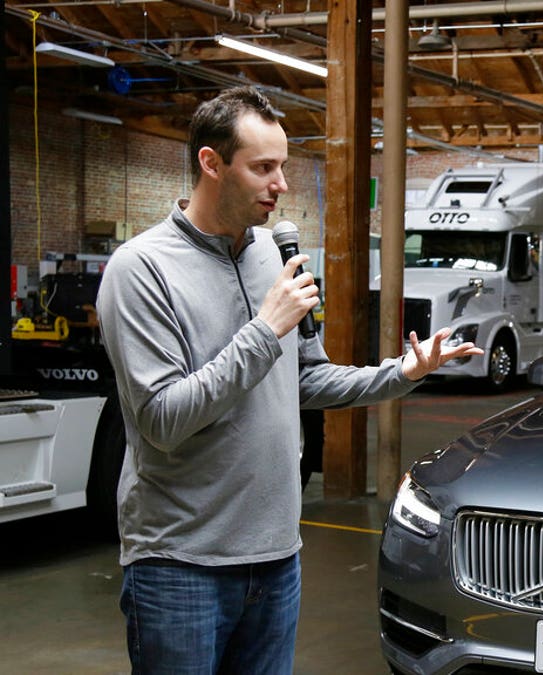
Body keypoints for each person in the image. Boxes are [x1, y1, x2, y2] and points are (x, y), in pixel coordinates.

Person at [95, 86, 483, 674]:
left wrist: (402, 373)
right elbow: (162, 421)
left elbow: (304, 377)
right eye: (263, 168)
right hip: (181, 566)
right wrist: (264, 328)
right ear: (211, 163)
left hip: (277, 559)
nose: (281, 185)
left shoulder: (270, 257)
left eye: (283, 167)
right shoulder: (141, 270)